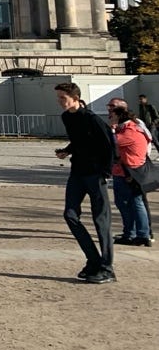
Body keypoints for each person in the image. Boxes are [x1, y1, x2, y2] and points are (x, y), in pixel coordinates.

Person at [54, 82, 117, 284]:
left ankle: (107, 268)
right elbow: (80, 140)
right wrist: (68, 150)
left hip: (95, 174)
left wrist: (105, 173)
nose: (60, 102)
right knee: (70, 215)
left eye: (63, 98)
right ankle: (93, 260)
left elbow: (109, 145)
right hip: (77, 173)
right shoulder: (67, 117)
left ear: (75, 98)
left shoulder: (93, 119)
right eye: (59, 98)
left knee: (101, 221)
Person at [108, 101, 152, 248]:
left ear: (119, 116)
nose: (109, 116)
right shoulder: (131, 128)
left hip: (131, 172)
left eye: (112, 114)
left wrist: (112, 130)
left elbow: (112, 143)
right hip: (125, 171)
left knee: (135, 203)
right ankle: (131, 233)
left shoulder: (130, 130)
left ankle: (142, 235)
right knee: (124, 203)